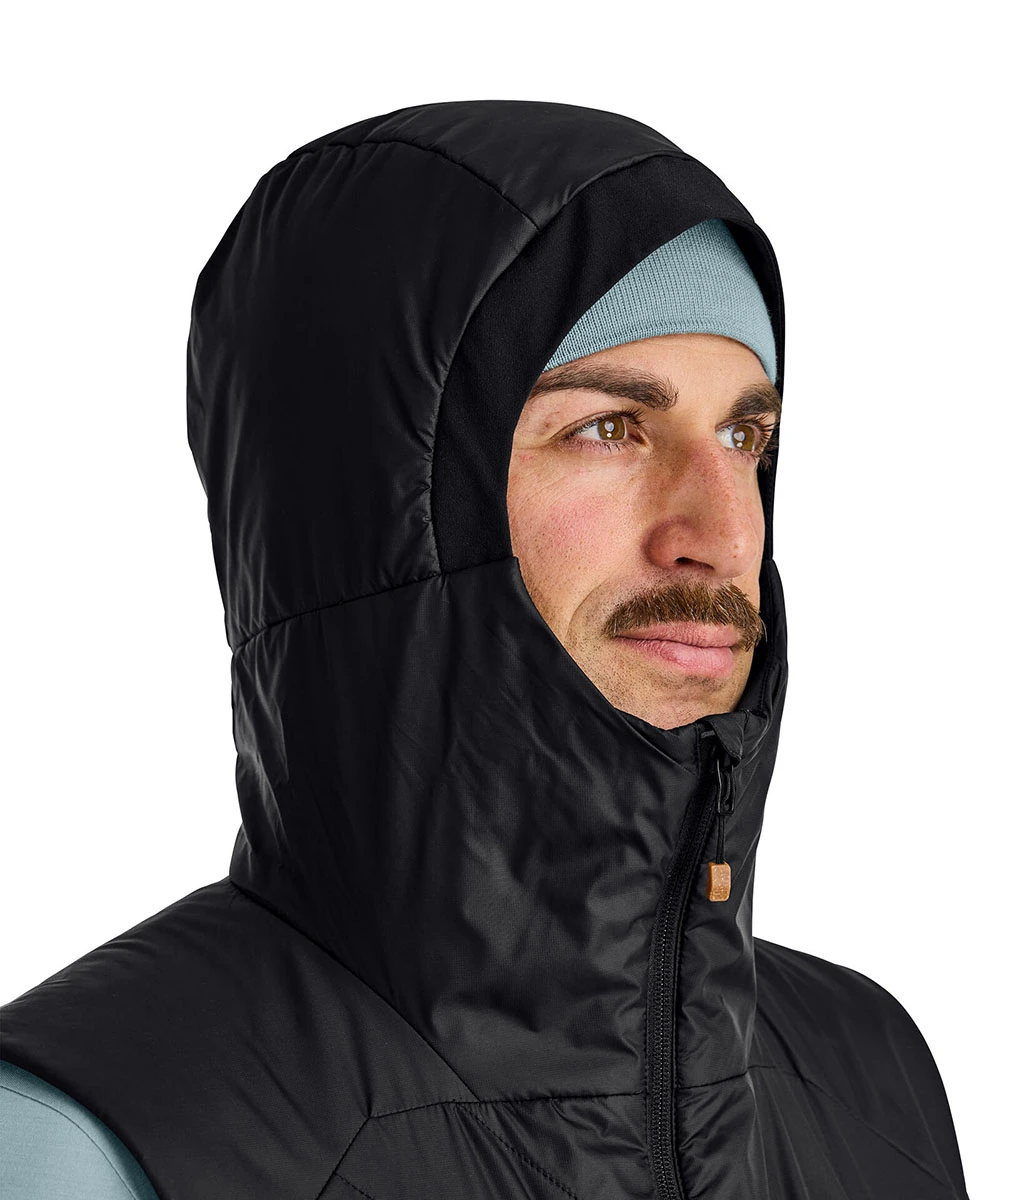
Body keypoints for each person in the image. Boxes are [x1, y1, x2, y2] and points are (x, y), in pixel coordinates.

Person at [0, 99, 969, 1199]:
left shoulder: (870, 1077)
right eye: (608, 428)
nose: (724, 535)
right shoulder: (94, 1136)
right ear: (378, 517)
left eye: (744, 436)